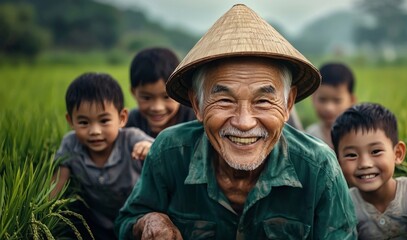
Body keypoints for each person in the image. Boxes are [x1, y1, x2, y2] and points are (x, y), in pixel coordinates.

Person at [116, 4, 357, 239]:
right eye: (224, 100)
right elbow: (128, 219)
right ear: (197, 105)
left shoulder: (318, 167)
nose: (244, 122)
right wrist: (150, 220)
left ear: (287, 104)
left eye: (262, 101)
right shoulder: (169, 152)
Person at [51, 73, 154, 239]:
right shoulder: (71, 144)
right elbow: (55, 186)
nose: (95, 131)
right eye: (84, 122)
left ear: (122, 118)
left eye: (104, 121)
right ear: (71, 121)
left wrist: (149, 148)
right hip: (96, 226)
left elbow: (161, 151)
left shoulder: (131, 138)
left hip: (136, 220)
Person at [331, 102, 407, 239]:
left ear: (397, 153)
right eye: (351, 155)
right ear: (338, 162)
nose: (365, 164)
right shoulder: (343, 205)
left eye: (376, 151)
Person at [127, 47, 196, 138]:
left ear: (180, 91)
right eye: (146, 98)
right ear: (133, 93)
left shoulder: (194, 121)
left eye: (166, 97)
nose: (157, 108)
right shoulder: (132, 122)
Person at [305, 63, 356, 148]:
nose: (329, 108)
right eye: (322, 99)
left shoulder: (358, 134)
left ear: (352, 100)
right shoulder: (310, 136)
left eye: (337, 100)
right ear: (313, 99)